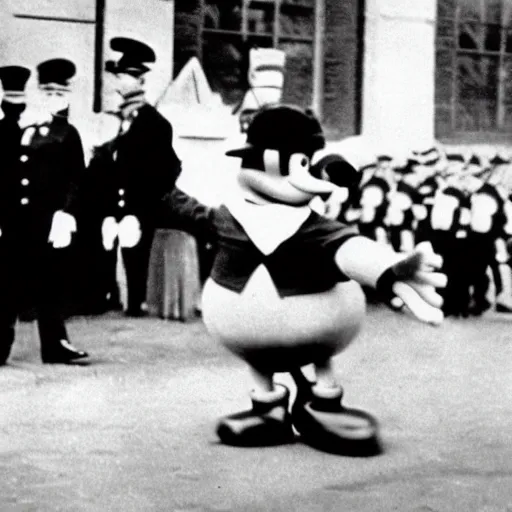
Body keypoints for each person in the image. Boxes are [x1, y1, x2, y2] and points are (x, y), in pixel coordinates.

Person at [162, 104, 445, 456]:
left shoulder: (312, 227)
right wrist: (152, 165)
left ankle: (323, 404)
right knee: (261, 366)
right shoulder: (228, 217)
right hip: (247, 334)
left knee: (320, 361)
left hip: (317, 334)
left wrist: (390, 270)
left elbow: (350, 249)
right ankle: (269, 409)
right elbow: (179, 207)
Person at [81, 37, 182, 316]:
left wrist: (145, 204)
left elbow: (166, 168)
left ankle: (135, 301)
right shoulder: (118, 120)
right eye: (118, 77)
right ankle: (109, 297)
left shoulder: (155, 123)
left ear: (140, 81)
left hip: (139, 205)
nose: (119, 83)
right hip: (113, 203)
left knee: (135, 252)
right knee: (107, 247)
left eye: (125, 77)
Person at [0, 61, 88, 365]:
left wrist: (66, 213)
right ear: (38, 91)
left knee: (49, 282)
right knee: (6, 281)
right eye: (47, 90)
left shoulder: (67, 133)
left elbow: (77, 179)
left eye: (59, 91)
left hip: (46, 220)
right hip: (12, 219)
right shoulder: (18, 126)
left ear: (67, 94)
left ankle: (55, 345)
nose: (53, 96)